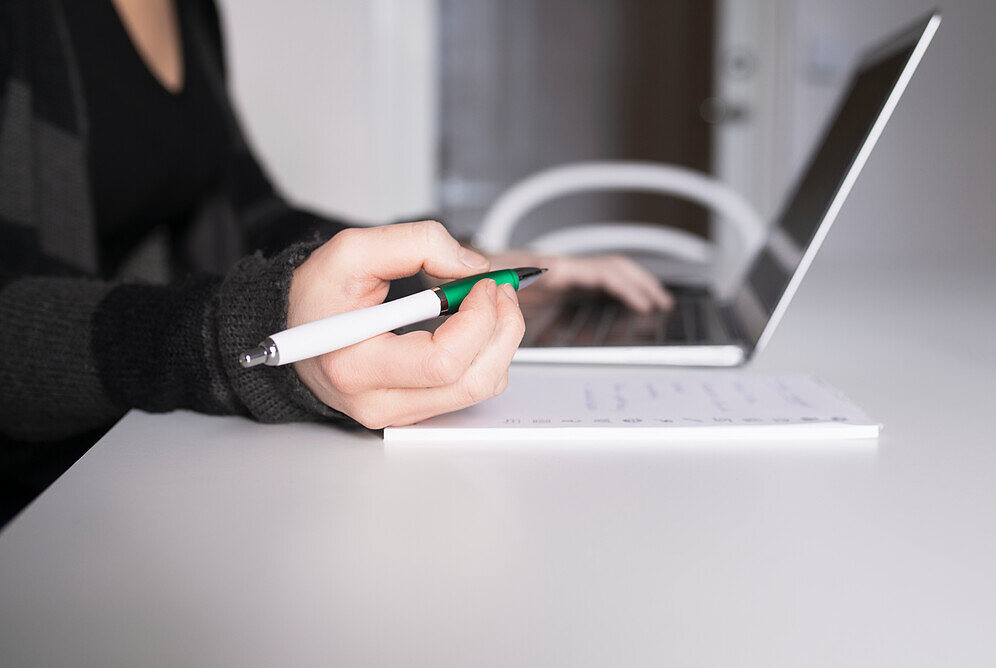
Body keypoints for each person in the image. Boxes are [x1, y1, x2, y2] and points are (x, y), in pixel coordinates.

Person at [0, 0, 672, 514]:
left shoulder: (191, 11)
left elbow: (248, 211)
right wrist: (231, 335)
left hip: (126, 464)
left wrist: (470, 265)